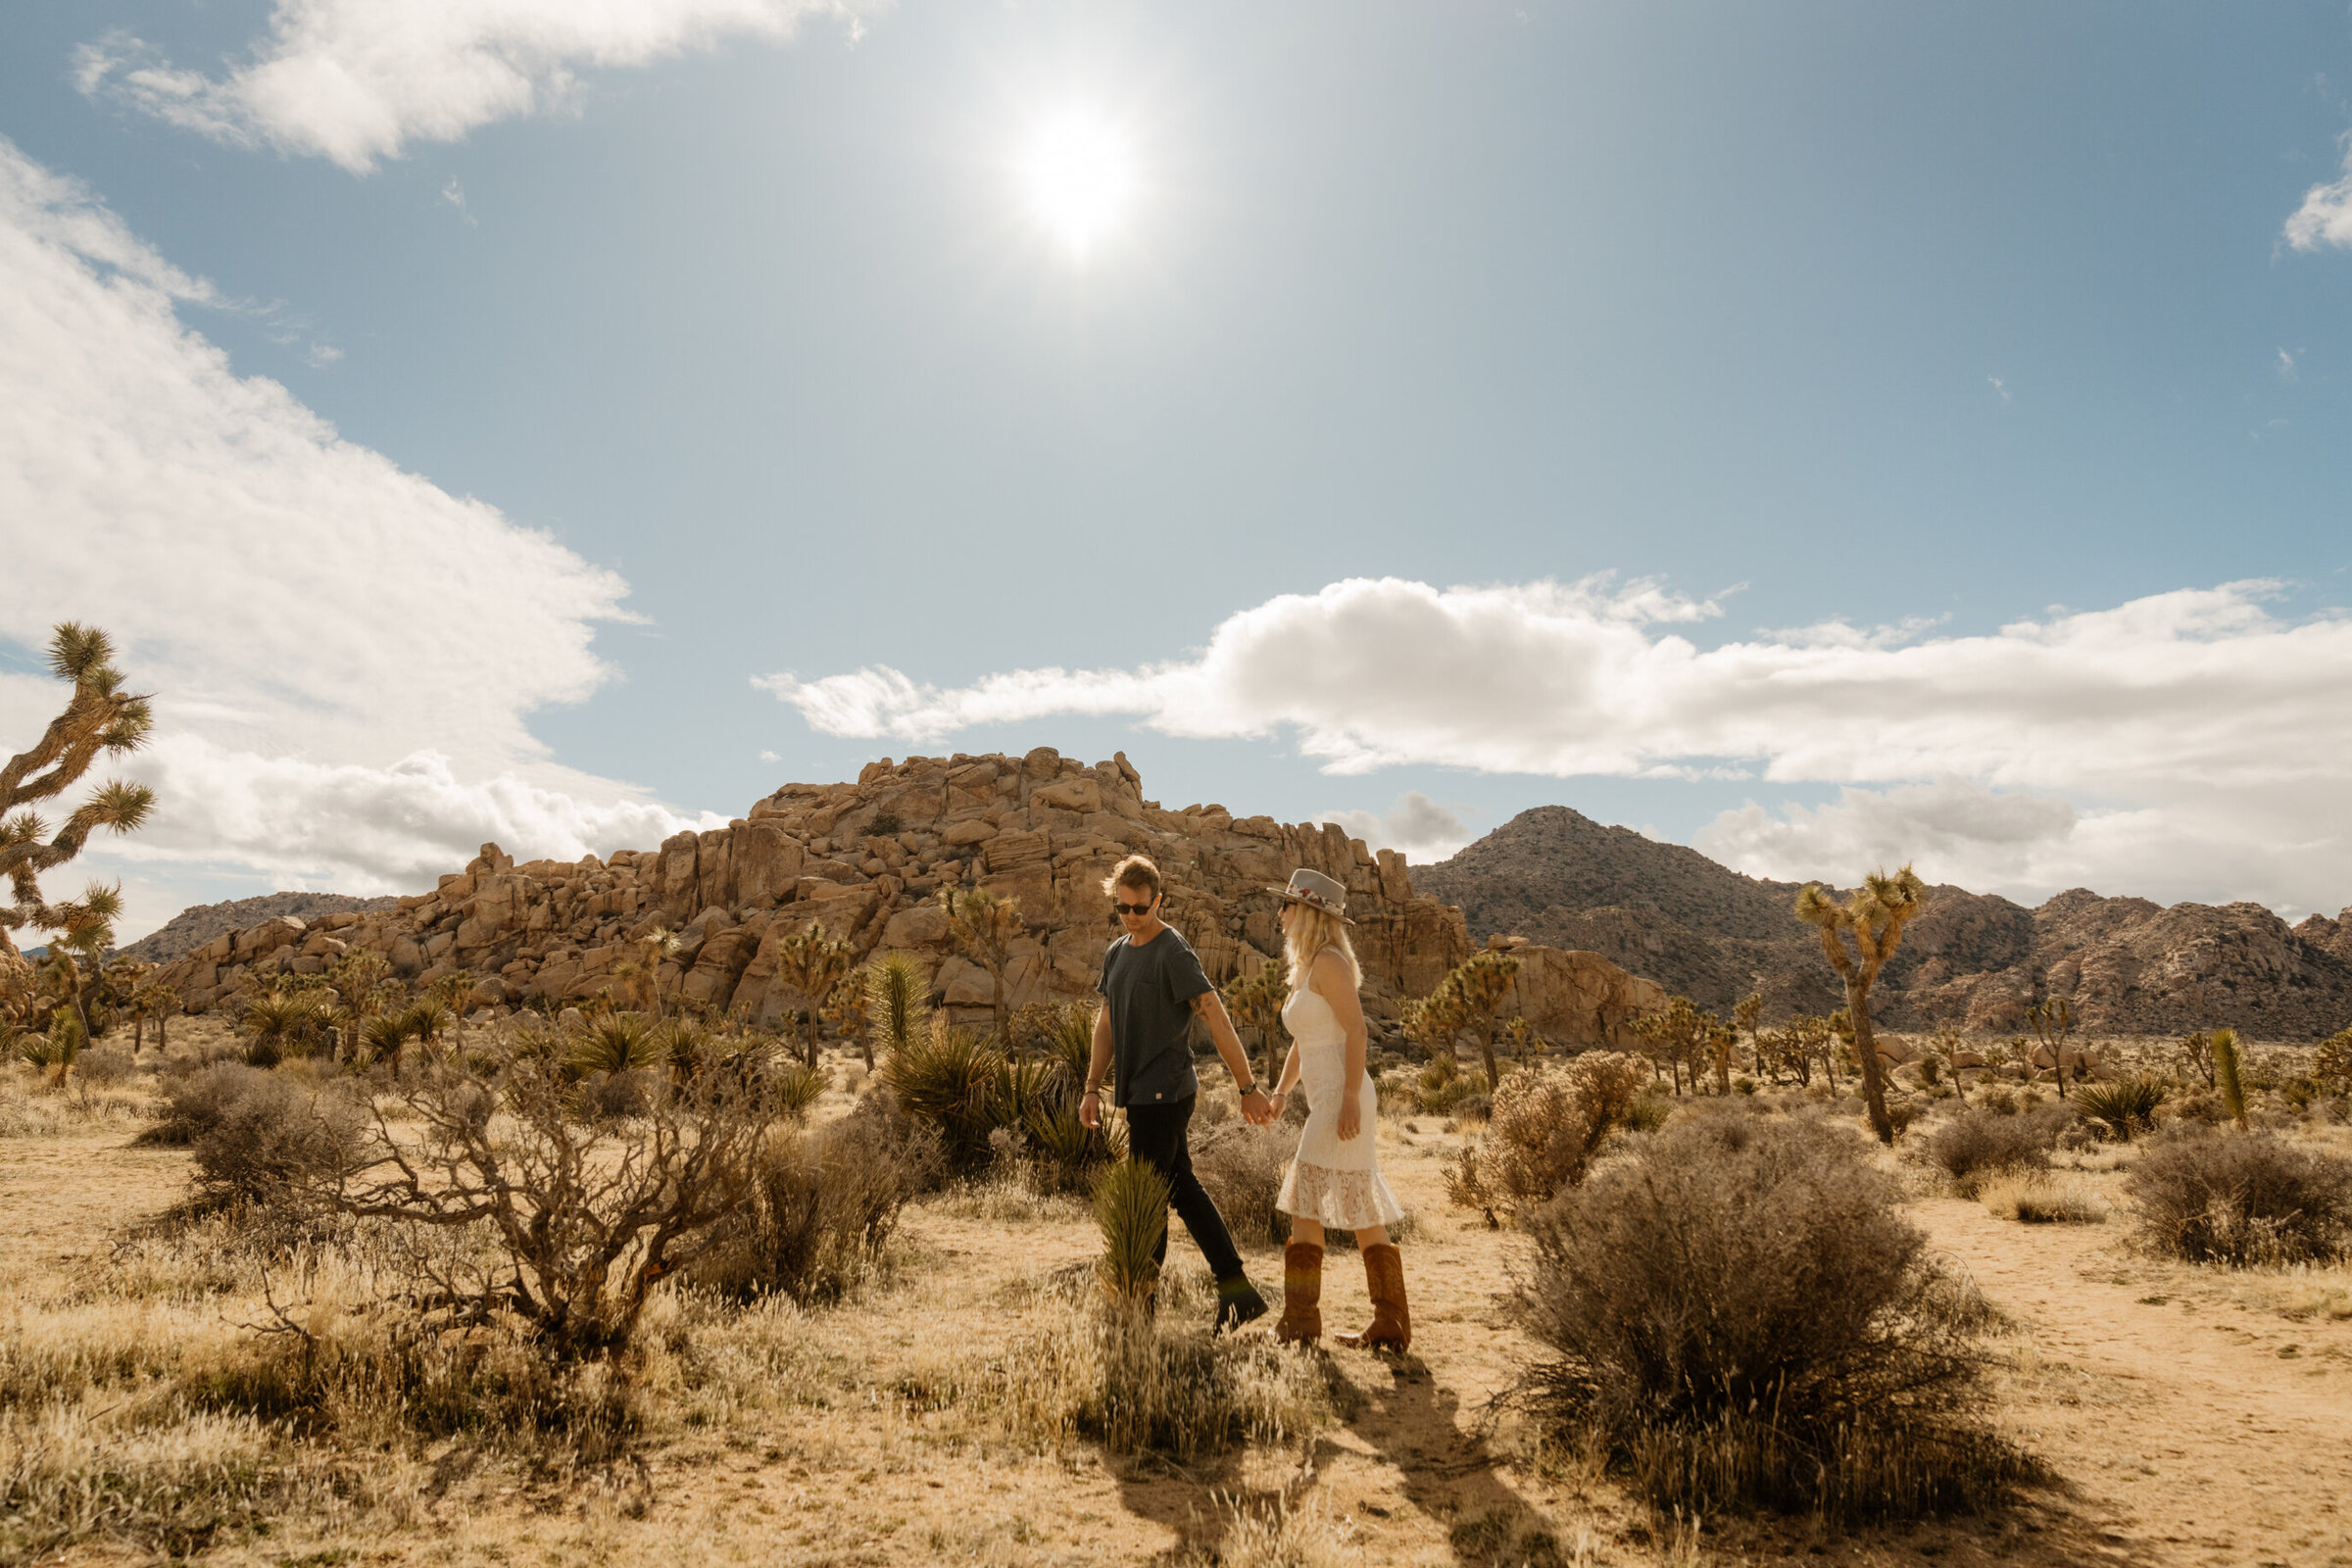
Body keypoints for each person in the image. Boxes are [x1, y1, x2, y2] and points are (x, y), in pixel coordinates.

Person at [1078, 854, 1274, 1332]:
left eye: (1140, 908)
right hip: (1138, 1093)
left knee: (1148, 1195)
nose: (1130, 917)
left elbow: (1215, 1015)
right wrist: (1090, 1086)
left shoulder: (1173, 951)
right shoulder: (1117, 952)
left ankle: (1139, 1307)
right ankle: (1237, 1291)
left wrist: (1246, 1086)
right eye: (1122, 908)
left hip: (1166, 1092)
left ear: (1158, 901)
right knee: (1179, 1187)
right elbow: (1105, 1021)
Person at [1263, 867, 1410, 1352]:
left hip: (1343, 1098)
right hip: (1324, 1098)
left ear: (1307, 912)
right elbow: (1304, 1042)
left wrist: (1349, 1096)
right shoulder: (1305, 967)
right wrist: (1283, 1092)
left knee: (1306, 1195)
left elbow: (1358, 1031)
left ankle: (1302, 1320)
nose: (1279, 913)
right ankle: (1390, 1323)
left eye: (1286, 905)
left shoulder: (1329, 963)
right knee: (1362, 1207)